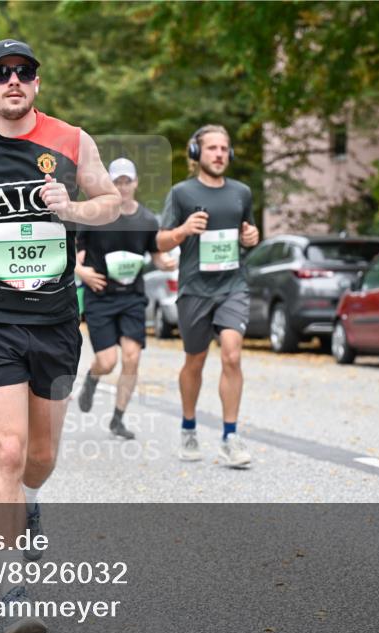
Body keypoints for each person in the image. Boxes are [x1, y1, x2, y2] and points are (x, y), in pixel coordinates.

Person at [0, 39, 120, 633]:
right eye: (1, 72)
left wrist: (74, 210)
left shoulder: (72, 140)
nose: (14, 80)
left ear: (36, 83)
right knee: (7, 451)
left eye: (24, 72)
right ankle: (13, 590)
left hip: (56, 320)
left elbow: (113, 204)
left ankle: (31, 497)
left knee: (40, 457)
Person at [156, 125, 260, 467]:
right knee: (195, 360)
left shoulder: (242, 193)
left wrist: (251, 237)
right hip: (195, 289)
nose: (219, 154)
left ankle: (230, 437)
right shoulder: (181, 193)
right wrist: (184, 230)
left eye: (224, 148)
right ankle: (188, 427)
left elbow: (248, 233)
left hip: (233, 285)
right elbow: (160, 241)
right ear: (196, 152)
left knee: (232, 354)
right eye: (212, 148)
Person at [75, 158, 177, 438]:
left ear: (135, 183)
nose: (122, 186)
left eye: (126, 181)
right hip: (100, 297)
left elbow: (156, 254)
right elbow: (74, 255)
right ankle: (92, 379)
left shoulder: (147, 220)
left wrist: (165, 263)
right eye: (116, 181)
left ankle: (117, 419)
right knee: (107, 361)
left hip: (132, 297)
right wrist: (82, 273)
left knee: (132, 358)